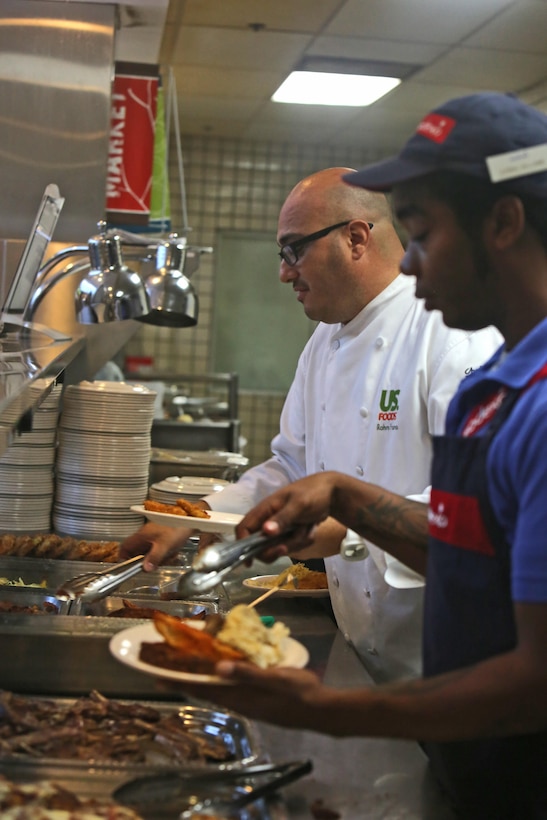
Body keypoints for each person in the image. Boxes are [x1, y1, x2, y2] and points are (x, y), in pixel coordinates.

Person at [174, 93, 547, 819]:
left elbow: (537, 680)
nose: (405, 261)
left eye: (422, 233)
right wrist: (344, 497)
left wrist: (332, 711)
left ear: (502, 224)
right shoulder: (499, 388)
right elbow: (472, 560)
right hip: (467, 750)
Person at [121, 167, 501, 682]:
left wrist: (347, 526)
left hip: (448, 662)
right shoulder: (324, 340)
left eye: (293, 250)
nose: (284, 272)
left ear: (355, 238)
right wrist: (198, 517)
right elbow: (291, 465)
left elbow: (481, 513)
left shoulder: (451, 336)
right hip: (360, 646)